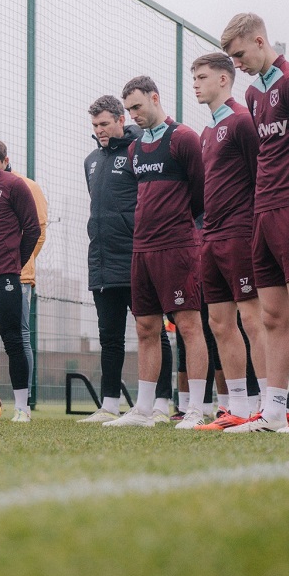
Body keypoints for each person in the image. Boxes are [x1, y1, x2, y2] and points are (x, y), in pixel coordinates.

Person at [219, 13, 289, 433]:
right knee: (271, 316)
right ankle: (273, 412)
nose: (237, 64)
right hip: (262, 211)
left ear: (260, 40)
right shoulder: (253, 94)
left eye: (240, 54)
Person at [104, 76, 207, 428]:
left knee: (190, 326)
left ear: (155, 98)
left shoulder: (184, 138)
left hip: (177, 246)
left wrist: (178, 225)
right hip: (141, 248)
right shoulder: (134, 150)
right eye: (129, 109)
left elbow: (200, 195)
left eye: (137, 107)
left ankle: (195, 408)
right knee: (146, 327)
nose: (133, 115)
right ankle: (144, 409)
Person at [79, 95, 175, 423]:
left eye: (105, 123)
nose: (100, 130)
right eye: (94, 125)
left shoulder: (140, 151)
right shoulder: (91, 160)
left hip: (138, 257)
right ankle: (109, 404)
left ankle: (161, 402)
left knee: (152, 331)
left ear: (122, 119)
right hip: (102, 262)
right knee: (109, 337)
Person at [188, 52, 268, 430]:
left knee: (253, 318)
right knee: (219, 323)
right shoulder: (206, 132)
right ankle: (237, 406)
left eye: (202, 77)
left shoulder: (241, 122)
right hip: (212, 235)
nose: (196, 84)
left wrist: (256, 232)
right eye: (194, 77)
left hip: (241, 232)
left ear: (224, 79)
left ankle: (271, 405)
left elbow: (260, 178)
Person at [0, 138, 47, 394]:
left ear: (4, 161)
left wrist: (18, 263)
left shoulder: (27, 186)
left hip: (18, 277)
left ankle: (25, 398)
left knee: (18, 337)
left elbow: (39, 230)